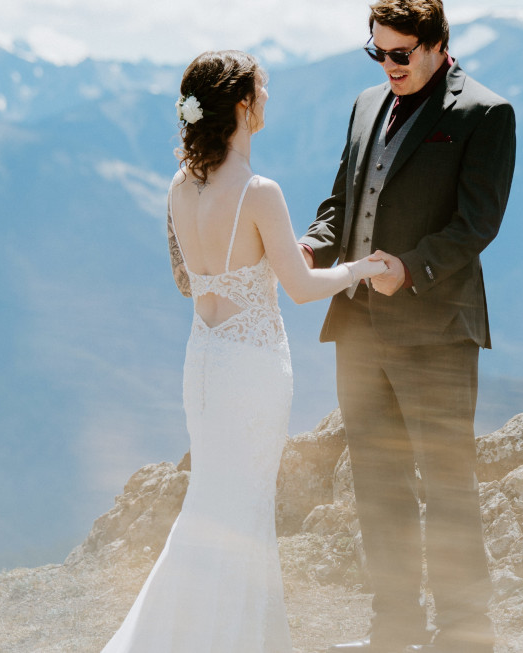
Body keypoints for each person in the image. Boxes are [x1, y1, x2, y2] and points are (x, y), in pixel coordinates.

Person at [100, 50, 388, 653]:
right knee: (242, 510)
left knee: (210, 502)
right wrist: (360, 266)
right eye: (262, 89)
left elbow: (188, 280)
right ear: (241, 105)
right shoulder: (259, 191)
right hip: (252, 368)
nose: (267, 98)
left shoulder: (180, 187)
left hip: (202, 362)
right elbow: (302, 291)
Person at [301, 0, 516, 653]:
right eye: (378, 51)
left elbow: (477, 223)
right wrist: (310, 244)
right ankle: (392, 632)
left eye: (400, 53)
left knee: (447, 485)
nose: (387, 65)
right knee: (377, 485)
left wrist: (411, 267)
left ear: (438, 45)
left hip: (436, 334)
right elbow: (343, 200)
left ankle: (464, 636)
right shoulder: (367, 104)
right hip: (357, 331)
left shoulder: (485, 111)